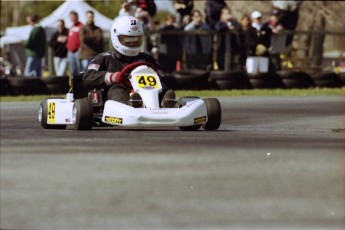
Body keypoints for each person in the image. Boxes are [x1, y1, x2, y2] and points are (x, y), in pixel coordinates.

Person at [83, 16, 175, 108]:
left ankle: (166, 103)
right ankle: (132, 105)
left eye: (136, 40)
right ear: (116, 37)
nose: (132, 43)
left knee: (163, 87)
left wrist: (159, 74)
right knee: (116, 89)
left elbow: (162, 75)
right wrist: (111, 77)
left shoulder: (147, 58)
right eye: (127, 40)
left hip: (148, 91)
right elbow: (88, 77)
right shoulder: (105, 58)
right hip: (119, 92)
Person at [66, 11, 83, 77]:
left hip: (77, 51)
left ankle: (80, 85)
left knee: (79, 69)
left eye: (73, 17)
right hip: (70, 52)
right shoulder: (71, 27)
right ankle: (74, 85)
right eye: (70, 17)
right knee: (72, 70)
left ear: (77, 17)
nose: (72, 19)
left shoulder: (81, 26)